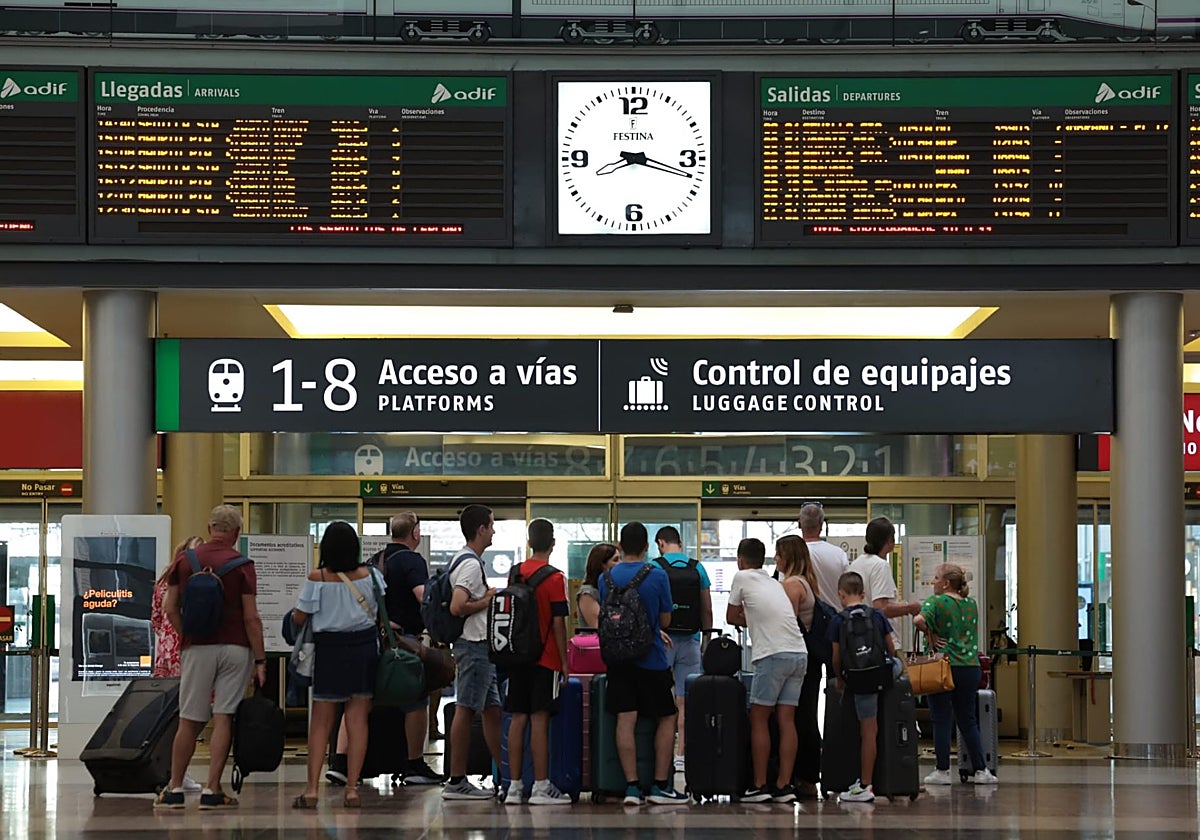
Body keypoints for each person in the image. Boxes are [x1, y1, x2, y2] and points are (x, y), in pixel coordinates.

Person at [155, 505, 266, 811]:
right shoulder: (243, 565)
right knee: (223, 717)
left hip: (197, 647)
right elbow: (251, 618)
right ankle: (212, 789)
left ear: (209, 528)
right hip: (235, 648)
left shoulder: (186, 560)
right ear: (237, 533)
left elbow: (169, 607)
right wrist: (260, 659)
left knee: (189, 719)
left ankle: (175, 788)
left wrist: (186, 634)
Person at [328, 512, 443, 786]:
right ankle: (414, 764)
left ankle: (341, 763)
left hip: (368, 639)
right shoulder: (412, 560)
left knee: (359, 701)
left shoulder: (373, 560)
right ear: (415, 533)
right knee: (417, 699)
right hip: (401, 642)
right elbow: (422, 596)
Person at [290, 521, 385, 809]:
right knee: (357, 721)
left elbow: (299, 617)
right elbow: (381, 610)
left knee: (321, 723)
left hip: (330, 652)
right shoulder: (372, 576)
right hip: (364, 650)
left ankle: (311, 790)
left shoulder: (317, 577)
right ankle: (353, 789)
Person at [598, 522, 687, 806]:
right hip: (651, 659)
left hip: (617, 661)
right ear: (647, 546)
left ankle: (632, 788)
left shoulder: (606, 578)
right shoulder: (657, 575)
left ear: (620, 546)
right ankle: (660, 785)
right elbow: (665, 620)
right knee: (667, 716)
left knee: (625, 719)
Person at [727, 537, 806, 804]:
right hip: (798, 652)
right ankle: (784, 785)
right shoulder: (774, 583)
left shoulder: (741, 577)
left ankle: (759, 785)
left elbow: (730, 616)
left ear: (740, 559)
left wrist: (748, 617)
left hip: (772, 655)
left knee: (759, 719)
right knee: (786, 720)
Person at [504, 519, 572, 806]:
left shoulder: (515, 573)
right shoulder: (556, 578)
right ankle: (542, 787)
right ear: (553, 543)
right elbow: (559, 623)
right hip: (545, 659)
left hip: (517, 656)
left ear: (530, 542)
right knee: (539, 719)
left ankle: (514, 787)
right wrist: (564, 661)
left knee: (518, 718)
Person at [914, 563, 998, 786]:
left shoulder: (937, 601)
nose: (933, 581)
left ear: (946, 583)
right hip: (970, 666)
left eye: (936, 577)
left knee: (941, 719)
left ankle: (942, 770)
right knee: (967, 719)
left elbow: (918, 620)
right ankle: (981, 770)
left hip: (943, 666)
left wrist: (930, 635)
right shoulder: (971, 604)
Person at [442, 504, 502, 800]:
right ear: (481, 529)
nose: (494, 531)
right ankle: (456, 780)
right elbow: (457, 606)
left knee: (492, 710)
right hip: (474, 646)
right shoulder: (469, 564)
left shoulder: (467, 560)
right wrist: (487, 600)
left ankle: (505, 773)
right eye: (491, 525)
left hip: (481, 649)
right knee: (466, 709)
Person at [827, 571, 903, 804]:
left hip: (860, 680)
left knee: (867, 730)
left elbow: (836, 658)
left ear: (841, 595)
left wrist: (840, 679)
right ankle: (871, 780)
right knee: (872, 730)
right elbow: (891, 650)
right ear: (863, 593)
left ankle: (865, 785)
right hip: (879, 674)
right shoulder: (877, 616)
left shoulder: (838, 620)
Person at [652, 526, 713, 773]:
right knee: (684, 701)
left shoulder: (656, 567)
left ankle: (660, 753)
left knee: (660, 699)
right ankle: (681, 755)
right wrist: (706, 637)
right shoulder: (697, 567)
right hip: (690, 640)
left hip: (663, 640)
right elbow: (707, 608)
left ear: (661, 543)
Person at [151, 535, 203, 794]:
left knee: (171, 712)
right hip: (183, 650)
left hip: (165, 652)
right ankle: (179, 773)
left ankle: (172, 771)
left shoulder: (162, 582)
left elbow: (155, 620)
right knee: (186, 714)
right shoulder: (191, 583)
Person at [773, 535, 821, 800]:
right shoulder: (807, 581)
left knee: (796, 718)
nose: (776, 559)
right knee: (805, 716)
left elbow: (786, 622)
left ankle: (799, 775)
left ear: (788, 557)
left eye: (779, 554)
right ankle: (808, 776)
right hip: (810, 659)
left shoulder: (792, 585)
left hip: (796, 657)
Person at [850, 517, 921, 645]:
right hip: (882, 641)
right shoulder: (880, 565)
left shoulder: (855, 564)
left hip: (861, 638)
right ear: (889, 541)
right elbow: (881, 608)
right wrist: (910, 607)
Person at [799, 502, 849, 617]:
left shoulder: (793, 555)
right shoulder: (839, 554)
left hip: (805, 624)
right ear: (821, 525)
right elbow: (848, 590)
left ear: (799, 524)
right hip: (835, 620)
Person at [576, 542, 620, 629]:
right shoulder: (587, 593)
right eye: (616, 560)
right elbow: (598, 625)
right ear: (602, 565)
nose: (620, 563)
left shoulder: (614, 588)